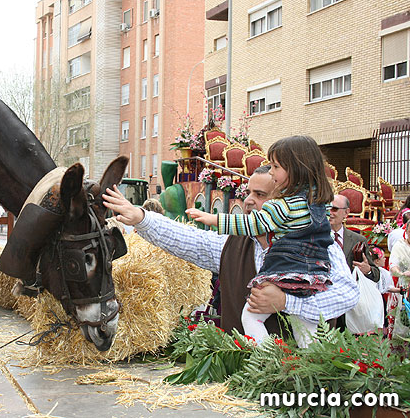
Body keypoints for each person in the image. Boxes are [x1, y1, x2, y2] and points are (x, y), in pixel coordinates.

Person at [103, 164, 357, 342]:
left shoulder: (315, 244)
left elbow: (348, 293)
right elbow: (192, 241)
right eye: (247, 193)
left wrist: (286, 303)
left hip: (300, 384)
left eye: (260, 195)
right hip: (241, 384)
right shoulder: (233, 244)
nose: (248, 201)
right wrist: (142, 219)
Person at [185, 136, 336, 347]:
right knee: (304, 325)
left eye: (275, 166)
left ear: (295, 168)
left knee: (251, 317)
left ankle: (269, 359)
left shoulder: (282, 206)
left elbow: (253, 225)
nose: (271, 172)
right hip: (314, 274)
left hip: (285, 270)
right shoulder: (320, 203)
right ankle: (313, 364)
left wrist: (214, 219)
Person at [328, 194, 380, 282]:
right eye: (327, 208)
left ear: (346, 212)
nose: (329, 213)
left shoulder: (358, 240)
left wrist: (367, 270)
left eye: (334, 209)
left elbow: (376, 275)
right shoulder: (315, 238)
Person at [389, 221, 410, 339]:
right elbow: (393, 266)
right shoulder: (400, 246)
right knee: (403, 324)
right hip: (405, 288)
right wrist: (401, 273)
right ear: (406, 232)